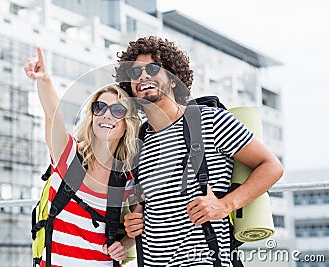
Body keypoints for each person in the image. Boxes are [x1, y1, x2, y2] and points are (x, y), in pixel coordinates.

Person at [116, 36, 284, 267]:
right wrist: (134, 223)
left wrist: (226, 205)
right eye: (135, 73)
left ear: (174, 79)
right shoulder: (137, 142)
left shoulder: (210, 120)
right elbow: (148, 207)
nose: (143, 76)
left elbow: (272, 167)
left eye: (153, 68)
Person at [24, 47, 139, 267]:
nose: (106, 114)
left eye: (117, 110)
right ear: (93, 115)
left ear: (127, 124)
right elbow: (53, 115)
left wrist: (124, 245)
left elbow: (141, 224)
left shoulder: (128, 177)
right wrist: (44, 79)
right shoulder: (68, 156)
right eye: (100, 107)